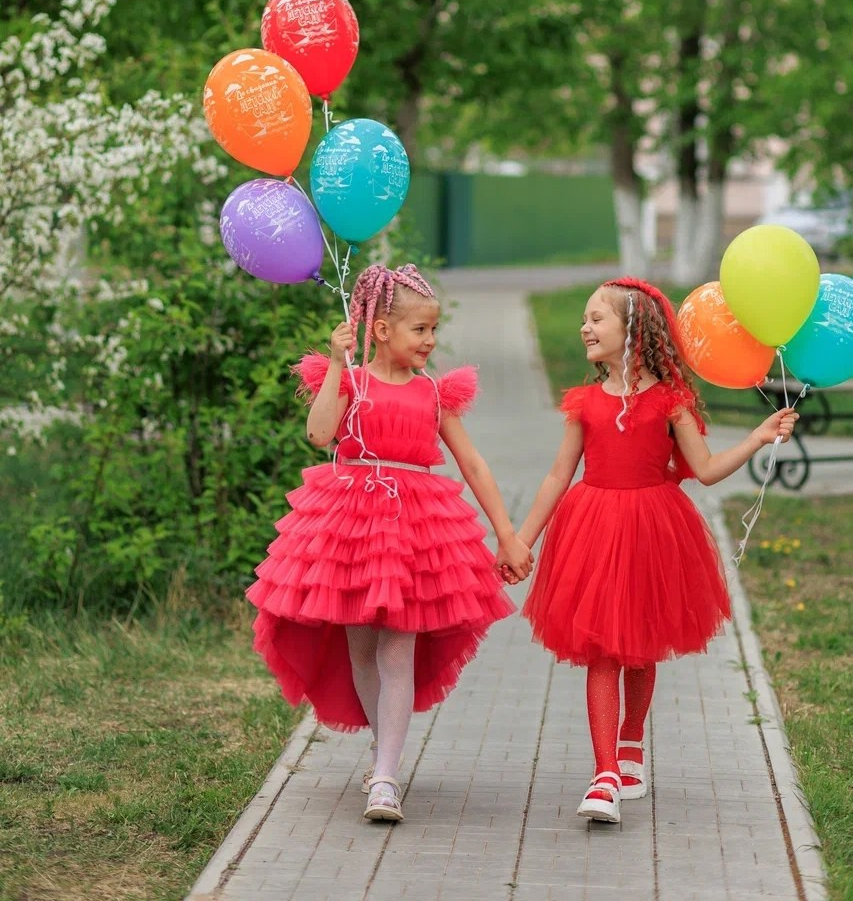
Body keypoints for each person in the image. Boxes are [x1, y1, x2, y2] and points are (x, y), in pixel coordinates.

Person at [247, 262, 533, 824]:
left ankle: (384, 777)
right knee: (361, 648)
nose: (430, 341)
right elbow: (320, 434)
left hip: (412, 529)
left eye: (433, 330)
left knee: (398, 647)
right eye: (419, 330)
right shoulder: (351, 381)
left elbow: (471, 463)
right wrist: (335, 363)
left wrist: (506, 534)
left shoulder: (433, 392)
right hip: (352, 524)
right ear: (380, 330)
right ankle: (386, 751)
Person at [513, 277, 797, 825]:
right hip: (593, 528)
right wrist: (522, 539)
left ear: (633, 330)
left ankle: (631, 743)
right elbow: (555, 476)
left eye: (596, 318)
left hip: (651, 528)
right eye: (585, 319)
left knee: (639, 645)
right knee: (601, 648)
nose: (584, 327)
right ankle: (603, 777)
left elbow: (707, 471)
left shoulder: (671, 402)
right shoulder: (585, 403)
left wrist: (758, 437)